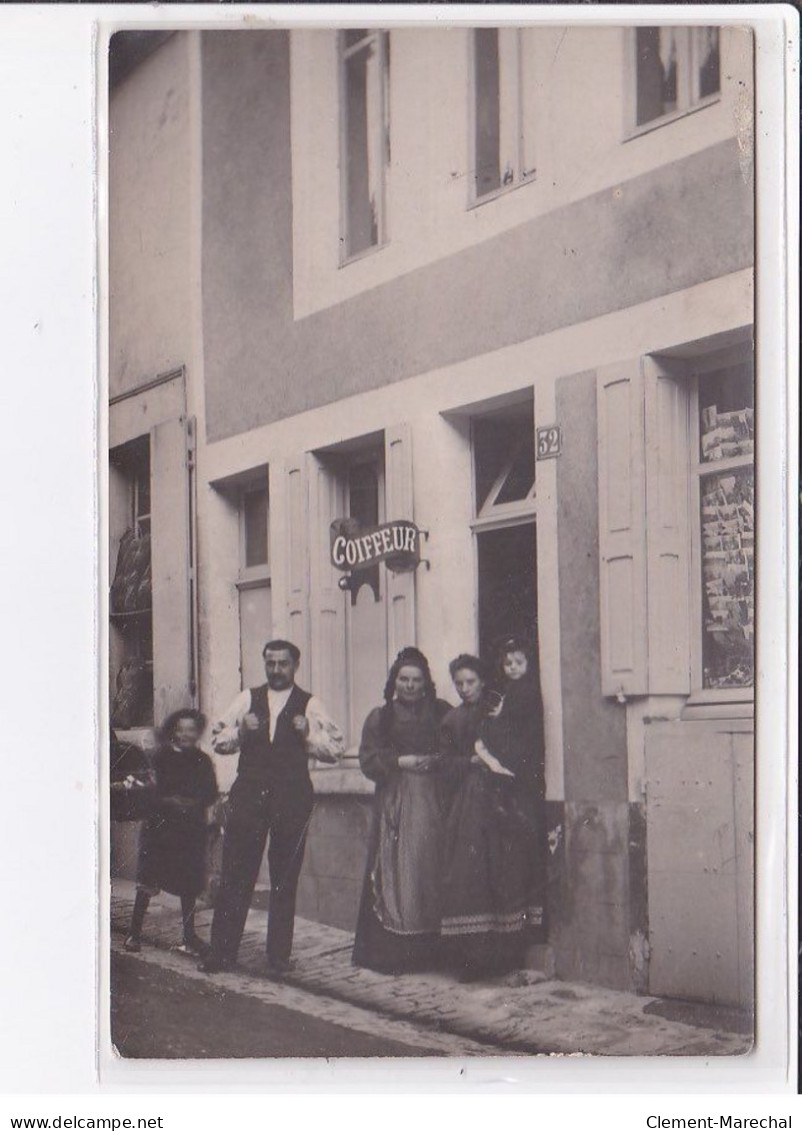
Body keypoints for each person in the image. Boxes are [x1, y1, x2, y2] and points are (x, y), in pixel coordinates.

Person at [199, 639, 345, 976]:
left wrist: (309, 734)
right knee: (237, 872)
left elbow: (336, 748)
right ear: (264, 664)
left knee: (284, 877)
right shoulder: (247, 699)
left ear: (296, 665)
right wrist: (240, 732)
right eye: (270, 663)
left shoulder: (310, 704)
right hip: (250, 795)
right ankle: (222, 954)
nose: (276, 670)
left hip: (292, 798)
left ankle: (278, 958)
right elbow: (218, 740)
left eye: (283, 663)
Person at [440, 641, 547, 981]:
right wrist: (467, 762)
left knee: (504, 872)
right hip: (469, 803)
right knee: (469, 877)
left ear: (483, 682)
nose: (465, 688)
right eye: (459, 683)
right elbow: (443, 763)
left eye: (471, 682)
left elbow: (518, 746)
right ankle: (472, 960)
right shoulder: (451, 719)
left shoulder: (499, 710)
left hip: (501, 798)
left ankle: (505, 956)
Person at [352, 646, 452, 973]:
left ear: (426, 683)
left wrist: (437, 761)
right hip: (396, 800)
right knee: (398, 871)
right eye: (404, 679)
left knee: (432, 867)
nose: (409, 685)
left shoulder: (442, 712)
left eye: (416, 680)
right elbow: (368, 759)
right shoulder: (381, 717)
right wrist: (398, 761)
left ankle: (434, 952)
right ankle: (396, 954)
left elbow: (459, 746)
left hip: (435, 800)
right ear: (394, 682)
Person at [124, 709, 218, 956]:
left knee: (188, 883)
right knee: (148, 880)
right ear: (174, 732)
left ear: (197, 732)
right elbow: (147, 791)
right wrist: (169, 801)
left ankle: (189, 936)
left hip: (190, 830)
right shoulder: (159, 758)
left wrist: (194, 803)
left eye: (191, 730)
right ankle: (134, 933)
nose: (186, 735)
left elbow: (211, 793)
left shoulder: (203, 761)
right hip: (161, 830)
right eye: (181, 729)